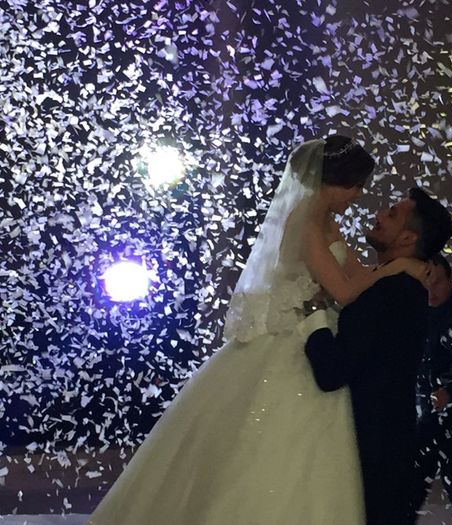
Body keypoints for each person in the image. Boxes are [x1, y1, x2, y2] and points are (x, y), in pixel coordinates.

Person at [87, 136, 428, 525]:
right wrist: (398, 269)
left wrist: (390, 271)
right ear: (336, 182)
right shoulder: (305, 223)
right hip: (293, 341)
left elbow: (355, 276)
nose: (358, 195)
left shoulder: (325, 222)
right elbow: (344, 290)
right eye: (356, 185)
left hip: (316, 337)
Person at [301, 188, 452, 525]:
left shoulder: (391, 292)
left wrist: (312, 314)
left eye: (392, 214)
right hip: (384, 445)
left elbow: (331, 373)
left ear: (408, 237)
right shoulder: (395, 283)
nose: (379, 214)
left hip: (373, 453)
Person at [411, 254, 452, 525]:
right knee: (444, 472)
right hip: (432, 403)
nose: (431, 290)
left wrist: (448, 391)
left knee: (451, 472)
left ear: (451, 279)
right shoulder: (424, 309)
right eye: (427, 282)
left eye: (437, 282)